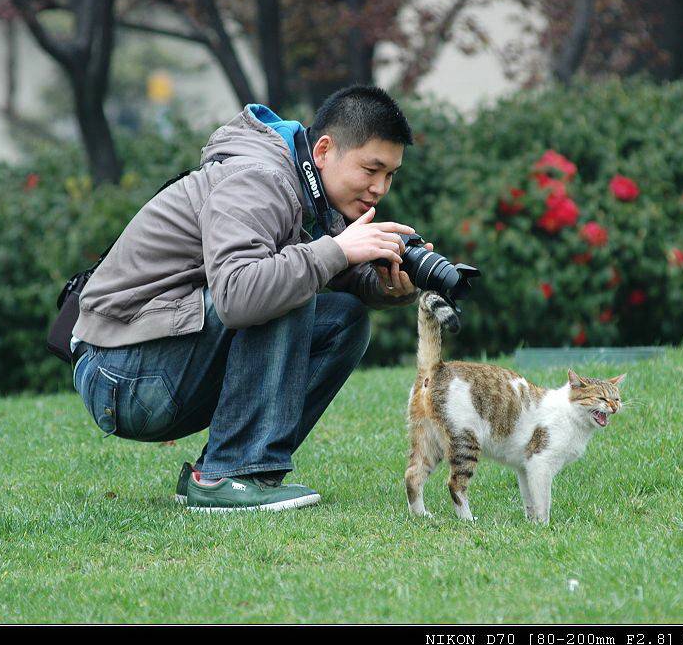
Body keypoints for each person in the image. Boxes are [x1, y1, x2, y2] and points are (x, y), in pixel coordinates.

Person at [70, 85, 427, 512]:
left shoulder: (304, 186)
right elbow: (241, 295)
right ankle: (230, 473)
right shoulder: (261, 179)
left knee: (344, 319)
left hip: (151, 358)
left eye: (390, 175)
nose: (379, 188)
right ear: (325, 151)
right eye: (371, 169)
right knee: (285, 285)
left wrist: (386, 288)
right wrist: (335, 250)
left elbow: (322, 270)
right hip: (121, 375)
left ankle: (236, 471)